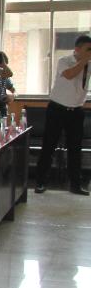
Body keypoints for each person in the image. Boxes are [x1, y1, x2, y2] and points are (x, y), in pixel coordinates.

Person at [35, 34, 91, 195]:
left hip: (76, 111)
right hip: (57, 110)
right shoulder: (64, 61)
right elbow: (69, 75)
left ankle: (75, 185)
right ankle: (40, 182)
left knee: (75, 149)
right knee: (49, 146)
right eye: (88, 49)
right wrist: (84, 61)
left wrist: (86, 61)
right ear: (77, 49)